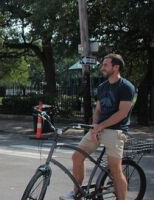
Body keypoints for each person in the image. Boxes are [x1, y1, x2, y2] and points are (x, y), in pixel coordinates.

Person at [60, 54, 135, 200]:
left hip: (116, 131)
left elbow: (122, 113)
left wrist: (100, 126)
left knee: (115, 169)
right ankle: (76, 192)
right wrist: (95, 126)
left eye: (106, 65)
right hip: (99, 129)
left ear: (116, 67)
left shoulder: (126, 87)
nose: (102, 68)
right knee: (77, 157)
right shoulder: (102, 87)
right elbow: (98, 110)